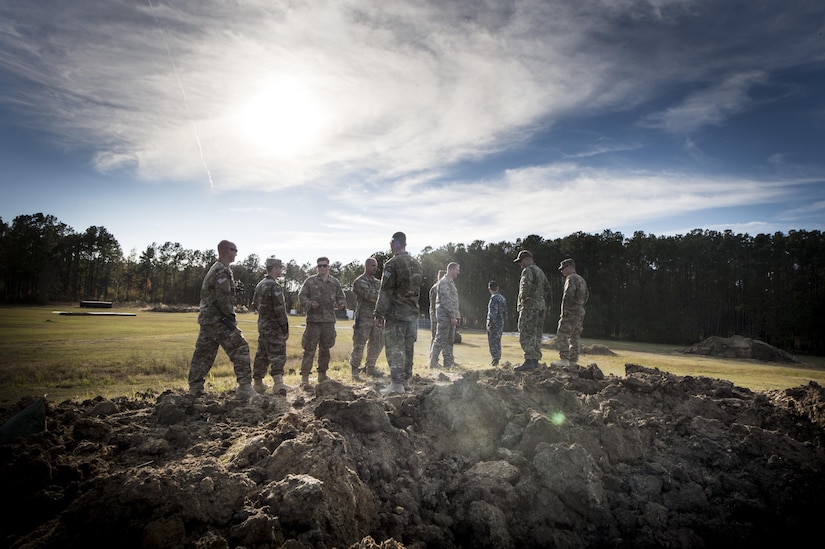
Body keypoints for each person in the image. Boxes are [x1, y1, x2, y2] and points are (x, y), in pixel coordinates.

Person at [187, 240, 254, 400]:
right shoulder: (222, 270)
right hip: (218, 319)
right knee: (240, 348)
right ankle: (245, 387)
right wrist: (231, 317)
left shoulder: (216, 269)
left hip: (208, 319)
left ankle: (195, 388)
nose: (236, 253)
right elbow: (222, 298)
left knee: (204, 353)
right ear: (225, 250)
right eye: (234, 250)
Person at [374, 231, 423, 394]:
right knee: (408, 347)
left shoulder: (392, 264)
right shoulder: (416, 264)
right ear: (405, 244)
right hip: (412, 314)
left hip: (396, 314)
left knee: (395, 347)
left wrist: (379, 314)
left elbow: (385, 291)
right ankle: (406, 381)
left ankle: (396, 384)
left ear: (394, 244)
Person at [298, 257, 347, 387]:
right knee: (309, 349)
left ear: (328, 267)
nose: (322, 268)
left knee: (325, 349)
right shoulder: (310, 281)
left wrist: (341, 303)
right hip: (313, 321)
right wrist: (309, 304)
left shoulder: (334, 282)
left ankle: (322, 375)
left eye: (324, 266)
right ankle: (305, 379)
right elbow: (301, 297)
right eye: (319, 266)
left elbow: (341, 296)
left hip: (328, 321)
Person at [251, 256, 290, 394]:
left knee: (262, 354)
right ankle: (278, 384)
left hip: (263, 326)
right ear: (275, 268)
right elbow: (279, 310)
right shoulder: (275, 286)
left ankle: (258, 383)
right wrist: (285, 328)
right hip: (274, 327)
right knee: (278, 354)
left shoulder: (260, 285)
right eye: (280, 268)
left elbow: (255, 304)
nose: (281, 270)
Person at [512, 250, 551, 372]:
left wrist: (525, 298)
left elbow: (525, 287)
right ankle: (534, 361)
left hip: (530, 307)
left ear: (527, 259)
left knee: (525, 332)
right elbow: (547, 287)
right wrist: (539, 297)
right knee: (537, 334)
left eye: (521, 261)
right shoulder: (539, 271)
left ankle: (529, 360)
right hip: (540, 306)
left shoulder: (528, 270)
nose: (521, 264)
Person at [349, 257, 385, 380]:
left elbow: (384, 297)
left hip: (376, 318)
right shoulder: (359, 281)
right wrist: (382, 297)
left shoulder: (378, 283)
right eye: (373, 266)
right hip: (363, 318)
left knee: (377, 343)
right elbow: (370, 295)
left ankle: (370, 367)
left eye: (376, 266)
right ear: (367, 266)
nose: (375, 268)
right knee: (359, 345)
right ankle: (354, 370)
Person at [552, 258, 589, 367]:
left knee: (562, 333)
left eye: (563, 268)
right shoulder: (581, 280)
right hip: (580, 310)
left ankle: (564, 359)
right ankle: (573, 361)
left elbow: (568, 295)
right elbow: (586, 295)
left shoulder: (571, 278)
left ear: (569, 267)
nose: (562, 271)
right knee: (575, 335)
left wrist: (564, 311)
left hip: (571, 310)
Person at [429, 262, 461, 369]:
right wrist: (452, 315)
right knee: (440, 339)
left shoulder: (450, 282)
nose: (458, 272)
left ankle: (448, 363)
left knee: (449, 341)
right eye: (457, 270)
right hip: (445, 317)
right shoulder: (444, 282)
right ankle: (433, 363)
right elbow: (446, 300)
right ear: (451, 270)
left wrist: (456, 316)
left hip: (450, 317)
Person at [486, 280, 507, 366]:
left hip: (494, 324)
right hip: (500, 323)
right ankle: (497, 358)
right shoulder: (502, 298)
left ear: (489, 289)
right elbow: (505, 312)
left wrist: (490, 323)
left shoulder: (493, 298)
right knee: (497, 341)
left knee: (493, 342)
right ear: (497, 288)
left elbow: (493, 313)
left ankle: (495, 359)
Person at [428, 270, 446, 341]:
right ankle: (433, 352)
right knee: (435, 336)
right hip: (436, 315)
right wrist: (435, 316)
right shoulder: (436, 288)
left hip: (442, 316)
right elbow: (433, 304)